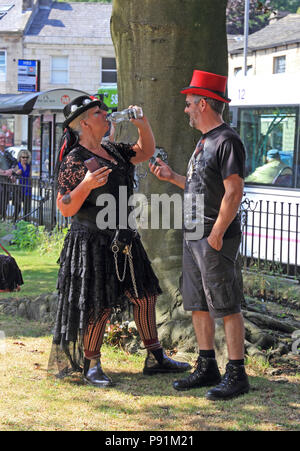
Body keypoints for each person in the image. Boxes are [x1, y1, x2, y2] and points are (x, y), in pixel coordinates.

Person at [49, 95, 190, 387]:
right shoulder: (75, 159)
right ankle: (91, 363)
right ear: (84, 122)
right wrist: (87, 184)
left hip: (124, 237)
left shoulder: (113, 149)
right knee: (99, 305)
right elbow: (64, 208)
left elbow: (144, 151)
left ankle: (155, 358)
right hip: (92, 241)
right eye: (100, 112)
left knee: (145, 296)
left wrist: (143, 125)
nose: (106, 115)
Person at [150, 70, 250, 401]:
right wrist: (172, 177)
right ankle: (207, 366)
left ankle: (237, 373)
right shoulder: (204, 141)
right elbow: (200, 187)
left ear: (204, 103)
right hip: (195, 234)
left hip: (213, 236)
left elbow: (233, 192)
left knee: (225, 302)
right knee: (197, 303)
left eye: (189, 103)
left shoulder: (226, 140)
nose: (185, 108)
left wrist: (218, 234)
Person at [0, 132, 17, 220]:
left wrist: (12, 171)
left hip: (6, 183)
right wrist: (5, 172)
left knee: (5, 202)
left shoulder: (7, 153)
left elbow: (15, 163)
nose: (2, 140)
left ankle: (3, 220)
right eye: (0, 138)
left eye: (4, 138)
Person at [14, 149, 32, 220]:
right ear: (20, 157)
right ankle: (14, 220)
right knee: (17, 207)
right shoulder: (17, 165)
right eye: (23, 157)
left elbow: (30, 177)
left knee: (27, 208)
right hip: (19, 189)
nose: (25, 159)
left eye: (26, 157)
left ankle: (26, 222)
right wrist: (16, 173)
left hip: (27, 189)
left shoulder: (29, 166)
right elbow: (13, 177)